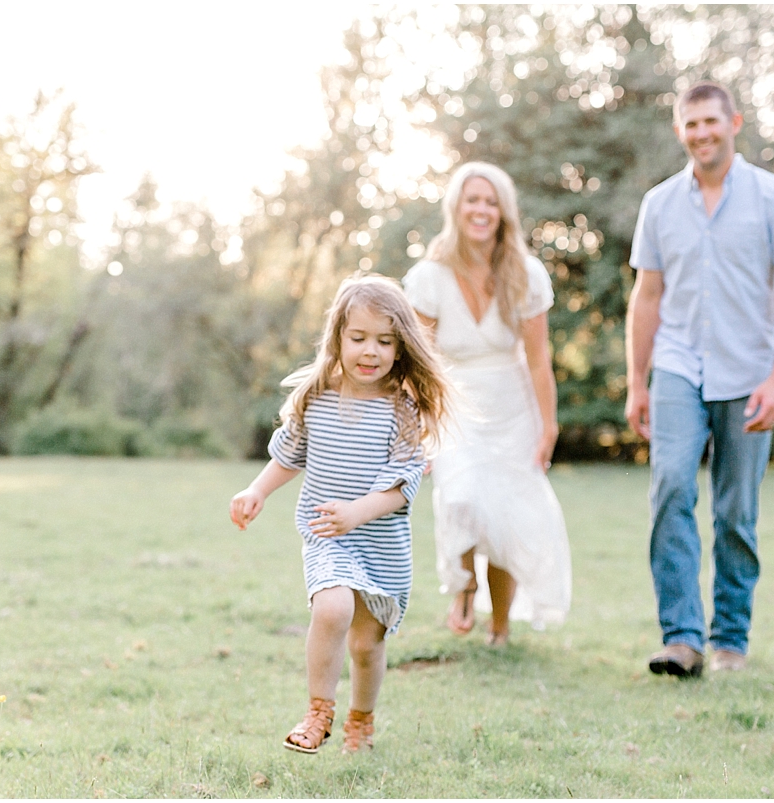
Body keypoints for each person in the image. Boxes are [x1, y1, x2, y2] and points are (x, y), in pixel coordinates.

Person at [625, 81, 774, 678]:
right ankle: (681, 638)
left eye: (712, 121)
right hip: (678, 367)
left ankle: (730, 638)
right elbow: (646, 295)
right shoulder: (659, 204)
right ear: (679, 130)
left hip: (749, 372)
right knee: (671, 489)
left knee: (736, 511)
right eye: (691, 124)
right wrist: (637, 380)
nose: (702, 133)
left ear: (734, 122)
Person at [229, 274, 451, 754]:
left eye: (384, 341)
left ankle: (361, 722)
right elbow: (290, 455)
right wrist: (257, 490)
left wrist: (356, 513)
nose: (370, 351)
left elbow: (399, 490)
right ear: (338, 338)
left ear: (400, 348)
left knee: (366, 646)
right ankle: (318, 712)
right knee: (332, 608)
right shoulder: (316, 396)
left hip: (381, 544)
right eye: (359, 338)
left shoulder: (403, 409)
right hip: (326, 532)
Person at [402, 161, 571, 647]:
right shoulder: (429, 276)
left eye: (490, 201)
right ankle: (463, 584)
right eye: (472, 199)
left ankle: (499, 628)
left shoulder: (527, 273)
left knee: (505, 514)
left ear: (504, 211)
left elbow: (539, 360)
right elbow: (420, 362)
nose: (481, 209)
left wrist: (548, 425)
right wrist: (420, 428)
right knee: (463, 499)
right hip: (454, 402)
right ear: (456, 207)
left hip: (512, 404)